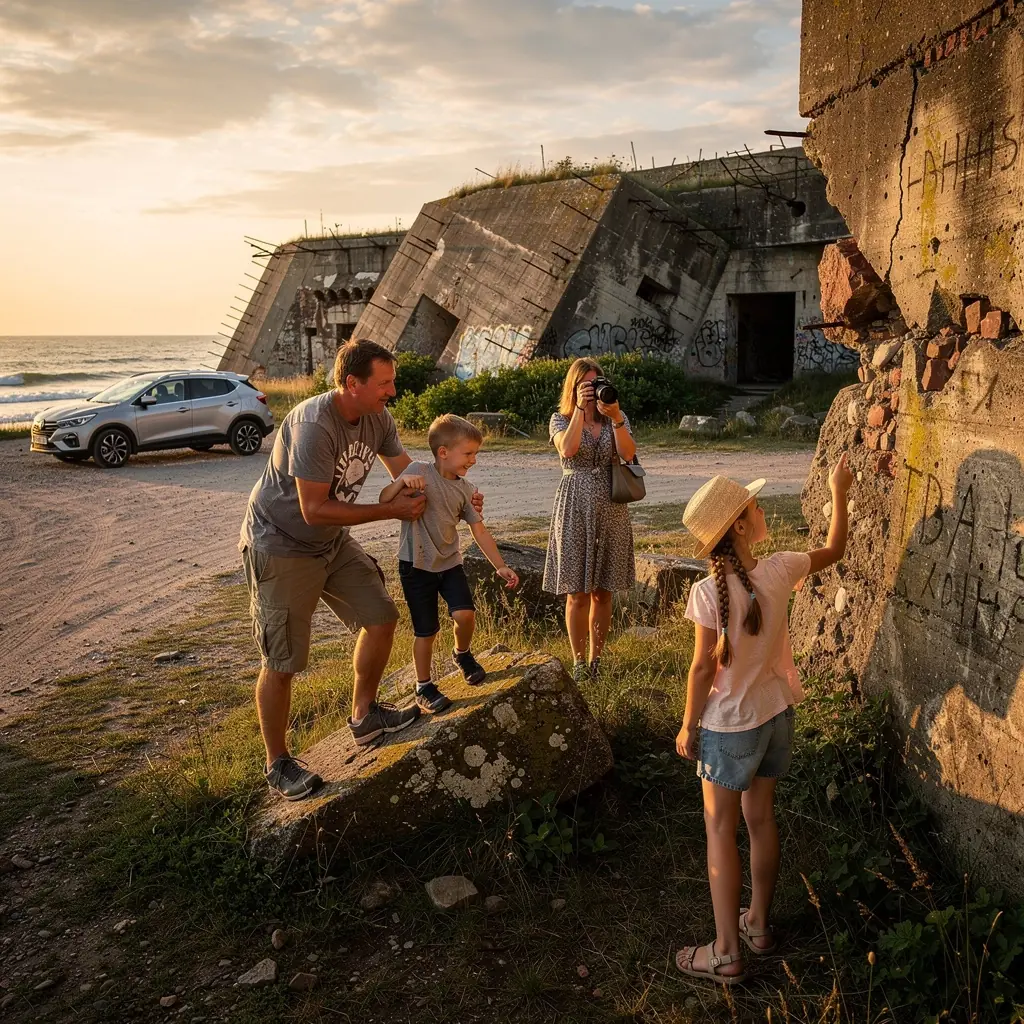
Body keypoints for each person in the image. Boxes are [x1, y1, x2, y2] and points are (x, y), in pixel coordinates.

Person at [239, 339, 484, 801]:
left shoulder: (377, 418)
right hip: (282, 542)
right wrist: (389, 512)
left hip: (331, 541)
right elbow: (314, 509)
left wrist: (459, 490)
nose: (392, 391)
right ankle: (277, 762)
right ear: (352, 383)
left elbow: (408, 471)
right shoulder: (314, 425)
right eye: (384, 383)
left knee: (381, 618)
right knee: (283, 659)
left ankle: (364, 716)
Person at [673, 455, 852, 985]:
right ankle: (758, 925)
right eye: (752, 503)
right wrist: (838, 490)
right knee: (762, 821)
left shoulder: (707, 593)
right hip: (777, 715)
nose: (759, 506)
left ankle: (726, 952)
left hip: (731, 727)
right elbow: (837, 549)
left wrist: (688, 725)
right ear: (741, 524)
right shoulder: (782, 568)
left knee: (720, 829)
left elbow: (703, 666)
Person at [379, 414, 520, 713]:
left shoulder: (467, 490)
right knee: (425, 631)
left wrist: (500, 565)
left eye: (476, 454)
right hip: (415, 565)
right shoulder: (417, 471)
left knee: (466, 614)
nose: (474, 460)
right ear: (443, 452)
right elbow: (384, 499)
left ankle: (462, 654)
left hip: (449, 563)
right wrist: (402, 481)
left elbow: (479, 530)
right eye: (468, 453)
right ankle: (424, 686)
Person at [543, 358, 637, 683]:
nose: (593, 389)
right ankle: (579, 661)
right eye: (586, 384)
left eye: (597, 382)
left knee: (604, 591)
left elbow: (628, 454)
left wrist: (616, 418)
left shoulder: (616, 416)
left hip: (611, 506)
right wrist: (581, 412)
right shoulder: (560, 419)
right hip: (574, 506)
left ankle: (597, 658)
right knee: (577, 592)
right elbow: (567, 450)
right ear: (573, 388)